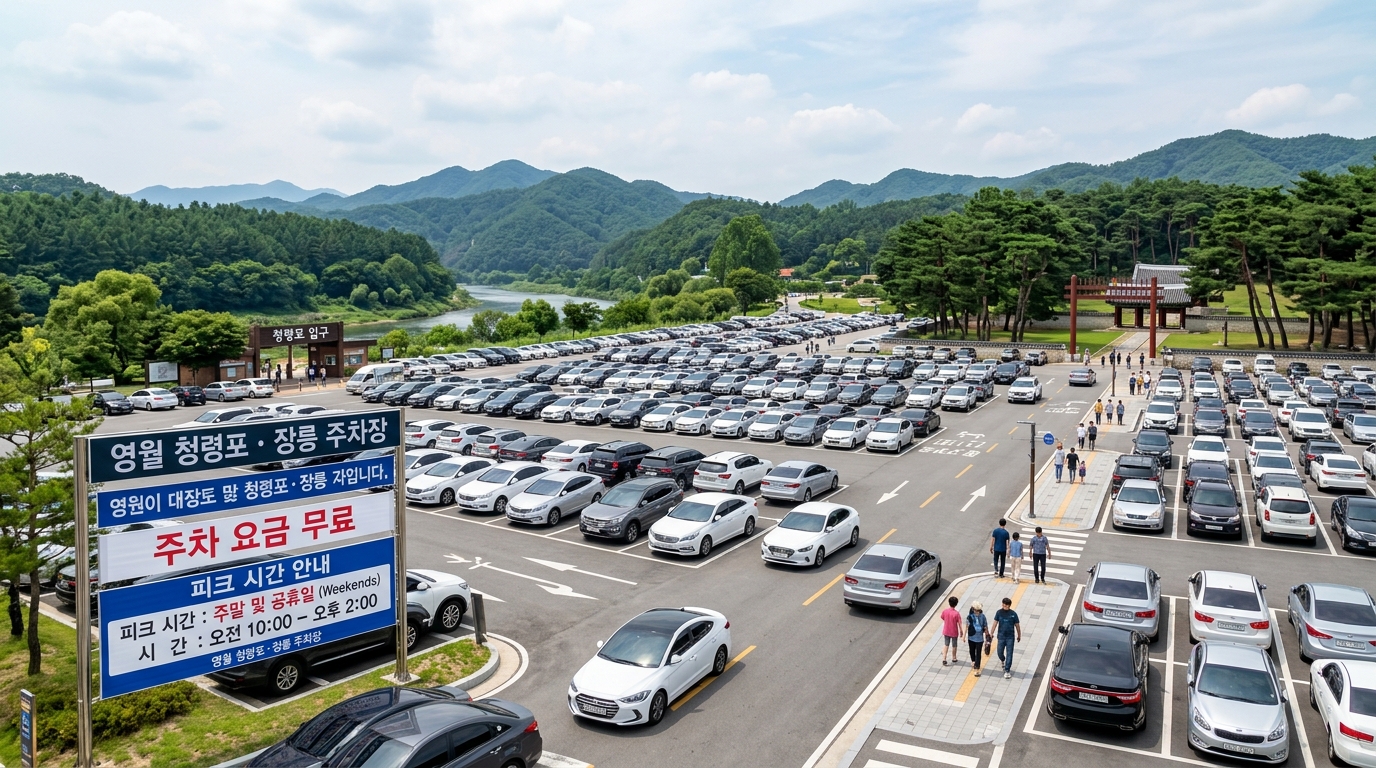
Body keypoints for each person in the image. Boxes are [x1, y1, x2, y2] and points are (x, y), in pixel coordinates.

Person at [993, 597, 1022, 678]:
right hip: (1001, 636)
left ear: (1009, 605)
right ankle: (1002, 659)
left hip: (1010, 637)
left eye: (1006, 605)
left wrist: (1019, 635)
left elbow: (1017, 625)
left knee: (1010, 653)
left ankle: (1007, 670)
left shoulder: (1013, 614)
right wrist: (991, 633)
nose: (1004, 606)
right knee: (999, 652)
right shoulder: (999, 613)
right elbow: (995, 623)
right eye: (1003, 604)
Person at [966, 601, 990, 677]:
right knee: (971, 650)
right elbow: (967, 625)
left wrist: (987, 636)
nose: (976, 611)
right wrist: (963, 635)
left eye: (977, 610)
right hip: (971, 637)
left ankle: (977, 668)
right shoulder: (970, 616)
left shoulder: (983, 616)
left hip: (979, 638)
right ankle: (973, 661)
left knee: (978, 653)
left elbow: (985, 626)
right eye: (975, 610)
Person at [940, 596, 964, 666]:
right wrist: (961, 631)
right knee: (954, 645)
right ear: (956, 604)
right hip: (954, 631)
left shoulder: (945, 611)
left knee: (946, 644)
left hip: (946, 630)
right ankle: (954, 657)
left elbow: (942, 617)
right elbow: (959, 623)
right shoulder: (956, 613)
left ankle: (944, 658)